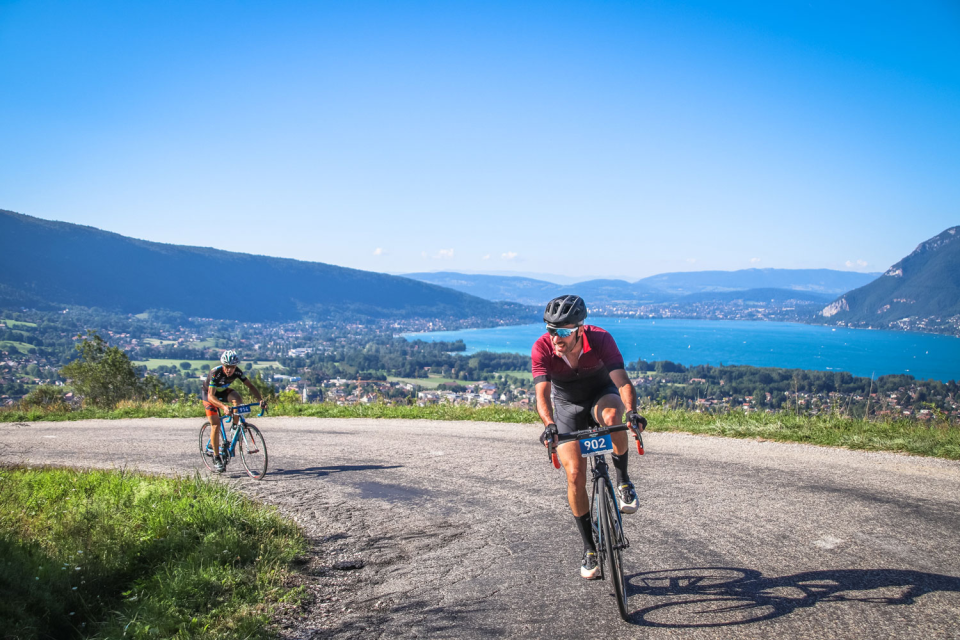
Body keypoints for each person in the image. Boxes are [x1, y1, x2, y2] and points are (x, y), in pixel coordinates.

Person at [532, 294, 646, 579]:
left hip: (601, 395)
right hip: (567, 406)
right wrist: (549, 424)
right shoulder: (542, 348)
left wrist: (631, 412)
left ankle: (623, 482)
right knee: (574, 475)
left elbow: (622, 382)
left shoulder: (601, 339)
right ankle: (589, 547)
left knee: (612, 419)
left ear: (580, 328)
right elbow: (542, 395)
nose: (556, 337)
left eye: (563, 331)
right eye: (551, 330)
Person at [203, 350, 266, 472]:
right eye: (227, 367)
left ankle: (234, 427)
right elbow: (211, 396)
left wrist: (260, 400)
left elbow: (251, 386)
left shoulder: (237, 372)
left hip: (223, 392)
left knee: (237, 399)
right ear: (223, 365)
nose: (229, 370)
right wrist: (224, 407)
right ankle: (216, 458)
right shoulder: (215, 373)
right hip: (209, 395)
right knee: (215, 424)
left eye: (232, 367)